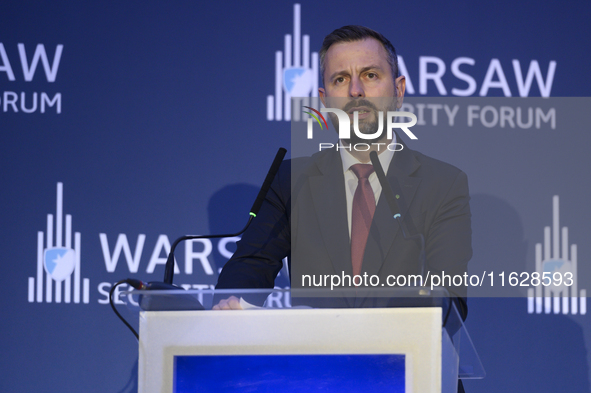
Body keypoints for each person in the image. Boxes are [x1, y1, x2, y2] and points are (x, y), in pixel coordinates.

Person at [214, 26, 472, 317]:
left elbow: (449, 298)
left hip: (404, 357)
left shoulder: (443, 184)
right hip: (315, 357)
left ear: (398, 91)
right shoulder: (292, 181)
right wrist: (231, 306)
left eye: (370, 75)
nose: (355, 91)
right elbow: (250, 266)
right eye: (341, 79)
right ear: (325, 100)